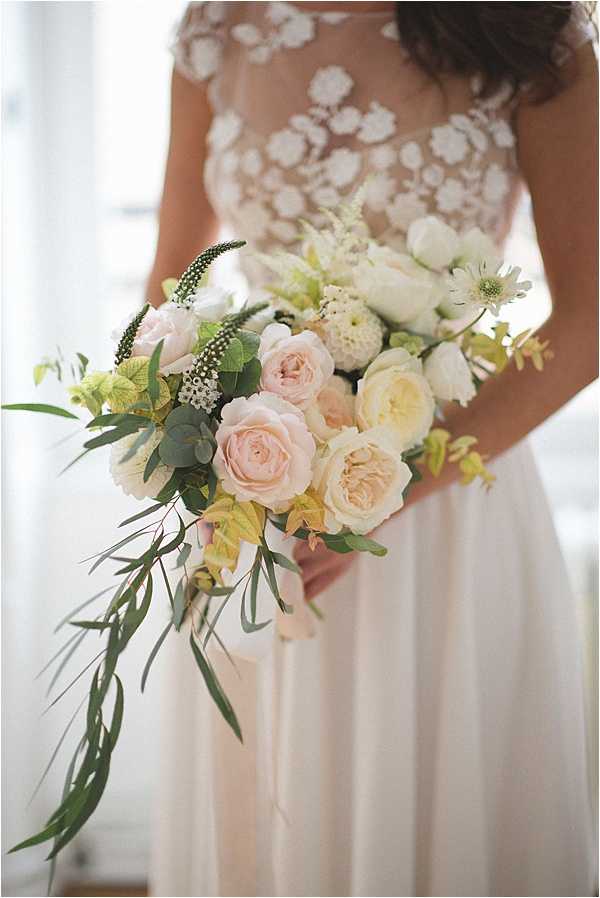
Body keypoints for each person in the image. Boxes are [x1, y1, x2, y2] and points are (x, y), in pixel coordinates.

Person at [147, 3, 598, 895]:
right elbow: (174, 288)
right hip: (254, 500)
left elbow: (590, 321)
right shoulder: (219, 25)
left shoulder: (532, 30)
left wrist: (386, 489)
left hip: (446, 502)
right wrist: (187, 450)